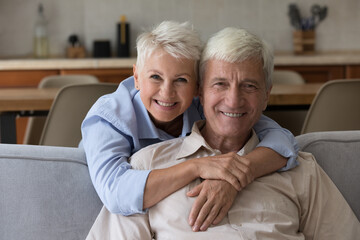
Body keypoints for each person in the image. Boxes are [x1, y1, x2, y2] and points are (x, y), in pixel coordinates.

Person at [86, 27, 360, 240]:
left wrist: (235, 176)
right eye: (220, 84)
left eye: (249, 86)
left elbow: (284, 138)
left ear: (267, 96)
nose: (233, 100)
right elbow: (116, 192)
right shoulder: (144, 165)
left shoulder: (299, 169)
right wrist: (198, 166)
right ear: (201, 93)